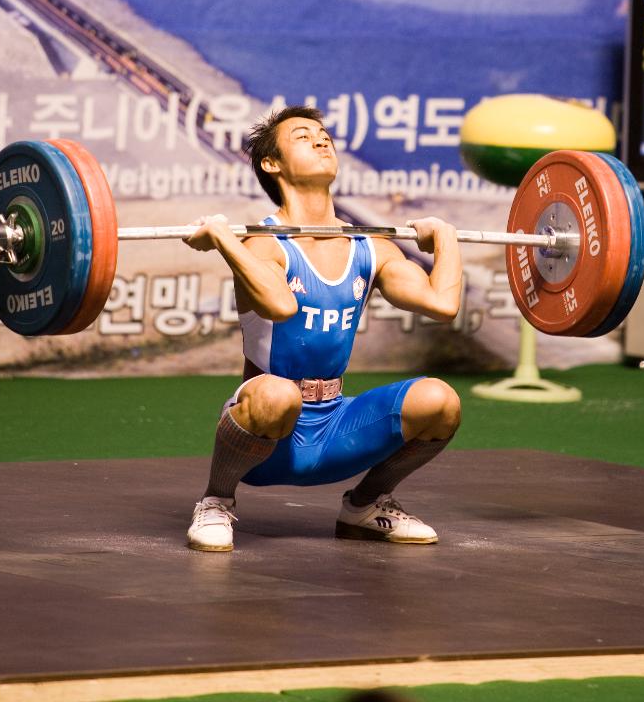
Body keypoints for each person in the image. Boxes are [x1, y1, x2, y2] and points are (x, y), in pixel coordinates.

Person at [183, 105, 463, 552]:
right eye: (302, 136)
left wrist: (445, 238)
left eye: (323, 133)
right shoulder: (262, 243)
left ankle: (365, 506)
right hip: (270, 436)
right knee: (278, 394)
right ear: (271, 164)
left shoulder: (370, 245)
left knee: (440, 402)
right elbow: (279, 304)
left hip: (335, 426)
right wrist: (224, 240)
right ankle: (216, 500)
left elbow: (442, 304)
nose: (321, 140)